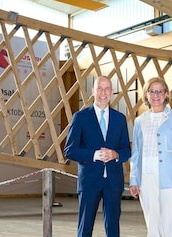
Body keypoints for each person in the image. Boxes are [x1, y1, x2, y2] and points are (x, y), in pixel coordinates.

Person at [64, 76, 131, 237]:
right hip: (89, 182)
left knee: (113, 229)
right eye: (99, 88)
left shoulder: (120, 118)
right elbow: (69, 150)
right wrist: (94, 154)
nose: (103, 92)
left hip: (113, 182)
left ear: (112, 92)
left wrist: (115, 154)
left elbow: (126, 150)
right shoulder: (80, 117)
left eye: (107, 88)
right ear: (93, 91)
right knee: (85, 228)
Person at [129, 77, 172, 237]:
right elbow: (136, 152)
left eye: (160, 91)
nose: (156, 95)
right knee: (152, 225)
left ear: (166, 94)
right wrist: (134, 180)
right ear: (146, 95)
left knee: (169, 225)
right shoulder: (139, 121)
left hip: (171, 177)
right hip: (146, 178)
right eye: (152, 91)